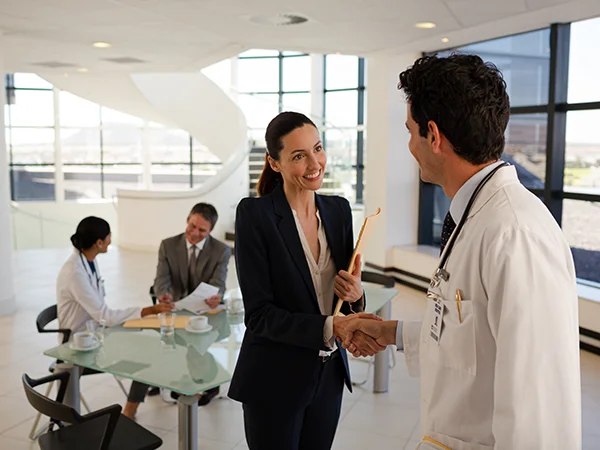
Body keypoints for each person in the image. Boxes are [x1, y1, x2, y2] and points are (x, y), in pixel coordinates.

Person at [339, 54, 581, 449]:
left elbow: (539, 410)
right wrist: (391, 333)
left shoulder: (514, 233)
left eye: (410, 131)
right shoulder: (476, 215)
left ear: (433, 136)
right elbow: (471, 338)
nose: (409, 146)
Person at [228, 111, 384, 450]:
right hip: (274, 378)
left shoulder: (339, 210)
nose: (315, 163)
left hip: (327, 376)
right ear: (274, 163)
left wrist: (356, 296)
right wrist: (331, 327)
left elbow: (343, 295)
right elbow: (258, 315)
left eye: (317, 149)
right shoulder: (255, 216)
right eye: (299, 156)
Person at [124, 203, 232, 418]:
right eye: (192, 226)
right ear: (187, 220)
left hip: (204, 314)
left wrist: (216, 296)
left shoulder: (222, 250)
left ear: (210, 231)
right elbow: (161, 279)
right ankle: (139, 400)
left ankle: (208, 385)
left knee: (204, 342)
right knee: (154, 350)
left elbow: (218, 282)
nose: (194, 233)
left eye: (202, 230)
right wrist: (162, 292)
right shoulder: (168, 245)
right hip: (173, 310)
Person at [57, 216, 173, 335]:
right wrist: (150, 310)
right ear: (99, 243)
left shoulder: (88, 260)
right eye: (109, 236)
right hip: (78, 338)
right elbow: (104, 316)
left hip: (95, 328)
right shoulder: (75, 273)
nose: (111, 241)